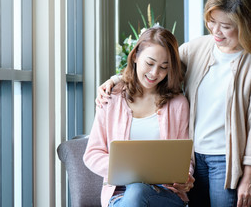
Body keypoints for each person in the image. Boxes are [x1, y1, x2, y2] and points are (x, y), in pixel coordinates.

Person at [96, 0, 251, 207]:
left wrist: (249, 178)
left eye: (226, 26)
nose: (216, 32)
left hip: (225, 159)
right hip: (193, 154)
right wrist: (117, 80)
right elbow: (156, 65)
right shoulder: (198, 47)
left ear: (245, 24)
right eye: (212, 22)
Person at [83, 26, 195, 207]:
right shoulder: (111, 98)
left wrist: (184, 178)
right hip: (120, 196)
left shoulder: (178, 104)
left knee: (138, 191)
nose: (154, 73)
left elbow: (185, 159)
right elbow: (92, 155)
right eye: (149, 63)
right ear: (135, 56)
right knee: (135, 191)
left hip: (164, 195)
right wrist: (131, 172)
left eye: (163, 67)